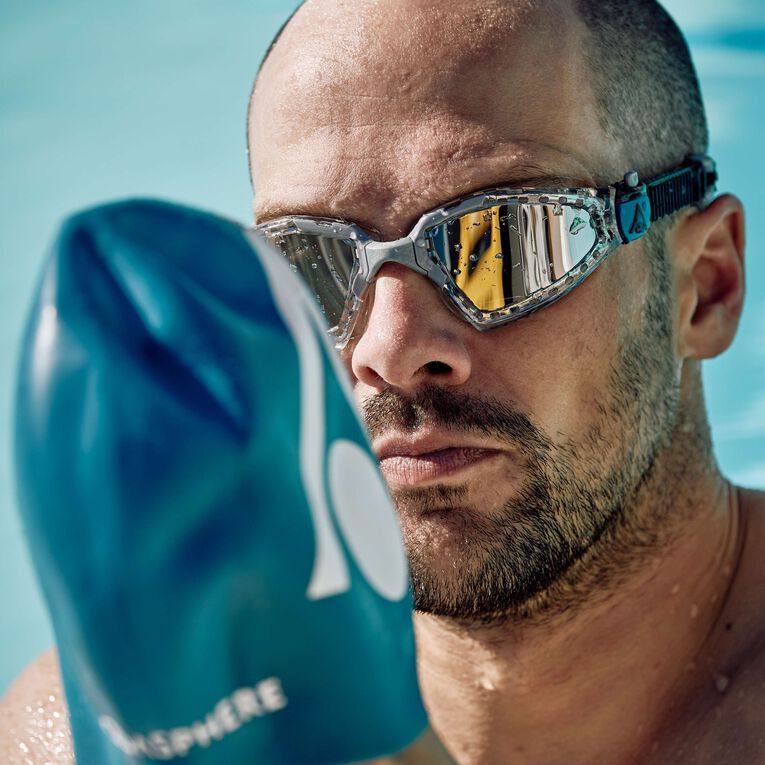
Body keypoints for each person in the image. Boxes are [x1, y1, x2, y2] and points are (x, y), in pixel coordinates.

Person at [3, 0, 763, 763]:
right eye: (310, 264)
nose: (387, 349)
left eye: (503, 243)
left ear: (705, 287)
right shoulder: (77, 736)